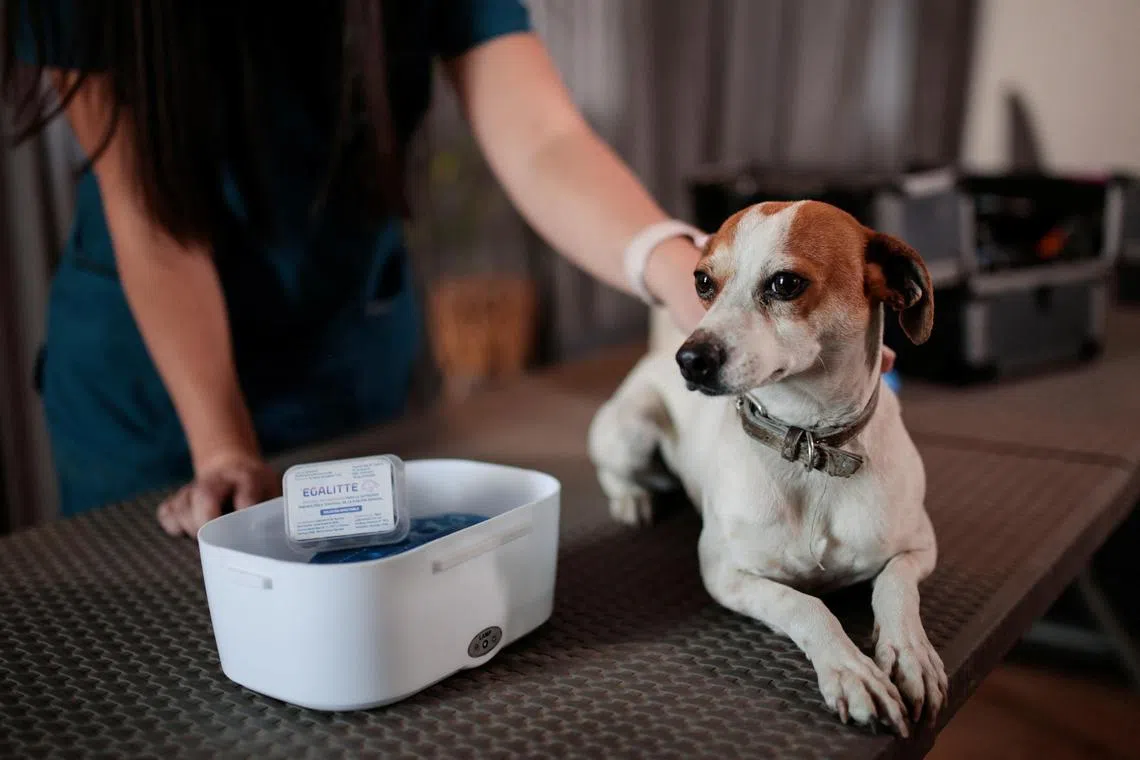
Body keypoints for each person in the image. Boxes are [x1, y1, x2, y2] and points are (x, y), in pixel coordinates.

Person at [4, 1, 895, 535]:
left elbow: (542, 137)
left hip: (354, 346)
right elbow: (153, 220)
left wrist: (697, 281)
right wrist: (225, 443)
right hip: (153, 392)